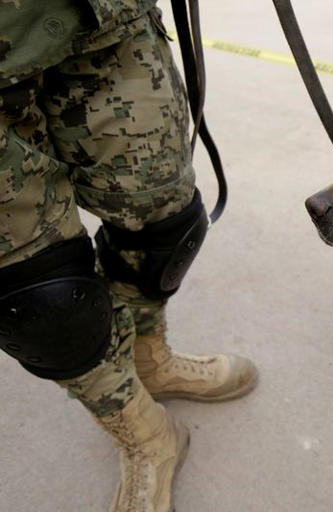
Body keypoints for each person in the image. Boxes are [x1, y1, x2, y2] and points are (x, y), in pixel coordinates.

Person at [0, 1, 257, 510]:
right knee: (39, 304)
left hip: (100, 19)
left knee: (161, 224)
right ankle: (144, 433)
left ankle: (150, 359)